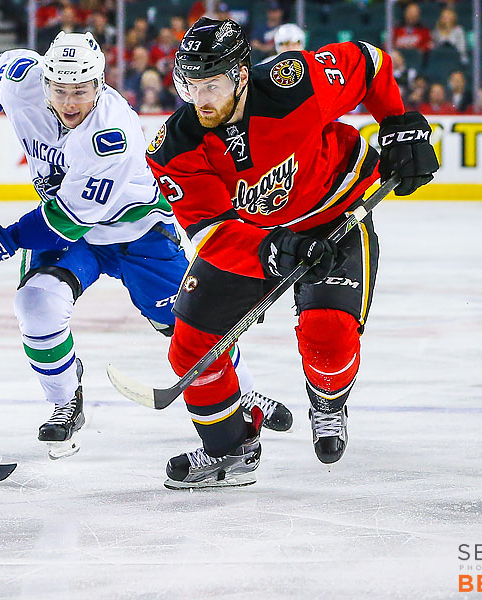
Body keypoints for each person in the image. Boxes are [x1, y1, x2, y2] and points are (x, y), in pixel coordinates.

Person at [0, 31, 293, 460]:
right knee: (35, 302)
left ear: (99, 85)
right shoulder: (22, 79)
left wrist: (2, 241)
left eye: (81, 92)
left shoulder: (112, 132)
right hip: (75, 232)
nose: (70, 103)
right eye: (60, 90)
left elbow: (62, 223)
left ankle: (244, 393)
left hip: (137, 231)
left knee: (191, 326)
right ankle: (65, 399)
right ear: (44, 81)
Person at [146, 17, 438, 489]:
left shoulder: (294, 84)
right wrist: (274, 251)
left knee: (329, 337)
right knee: (191, 347)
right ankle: (230, 450)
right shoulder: (174, 145)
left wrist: (399, 124)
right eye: (190, 85)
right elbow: (211, 231)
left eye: (212, 85)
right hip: (257, 240)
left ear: (241, 74)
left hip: (335, 208)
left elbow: (369, 61)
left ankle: (327, 400)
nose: (200, 100)